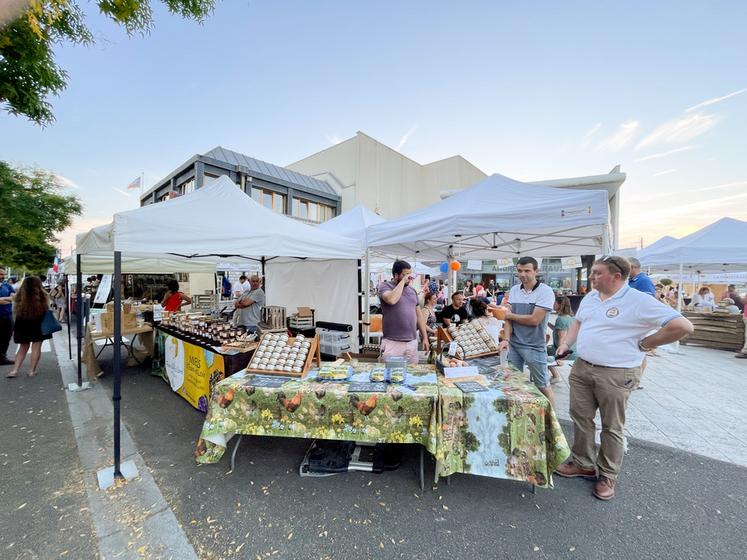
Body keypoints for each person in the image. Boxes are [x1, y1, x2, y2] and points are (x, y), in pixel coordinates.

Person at [553, 255, 693, 501]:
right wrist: (565, 343)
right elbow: (578, 322)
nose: (591, 277)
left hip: (617, 373)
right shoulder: (591, 297)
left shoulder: (638, 300)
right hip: (583, 368)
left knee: (612, 425)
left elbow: (683, 327)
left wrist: (647, 343)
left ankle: (607, 474)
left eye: (597, 273)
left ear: (616, 276)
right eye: (592, 272)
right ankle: (583, 462)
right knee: (581, 417)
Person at [495, 256, 557, 409]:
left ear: (536, 271)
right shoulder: (515, 290)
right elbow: (507, 320)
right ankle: (516, 412)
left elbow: (534, 320)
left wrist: (509, 315)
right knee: (511, 381)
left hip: (534, 346)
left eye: (527, 270)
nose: (523, 274)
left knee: (542, 385)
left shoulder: (546, 291)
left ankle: (553, 422)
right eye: (520, 271)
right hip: (514, 344)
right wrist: (506, 339)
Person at [378, 260, 429, 364]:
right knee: (390, 376)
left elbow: (419, 316)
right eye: (405, 274)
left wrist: (425, 337)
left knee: (412, 375)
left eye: (409, 274)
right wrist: (402, 281)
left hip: (412, 342)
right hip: (392, 342)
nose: (409, 277)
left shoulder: (412, 291)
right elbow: (391, 300)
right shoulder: (385, 286)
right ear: (396, 275)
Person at [6, 277, 54, 378]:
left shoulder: (19, 295)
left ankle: (14, 371)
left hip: (22, 323)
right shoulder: (43, 295)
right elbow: (48, 307)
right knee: (36, 347)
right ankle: (31, 371)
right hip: (38, 323)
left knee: (23, 348)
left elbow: (12, 304)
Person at [547, 295, 576, 384]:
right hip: (573, 349)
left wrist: (560, 356)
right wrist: (547, 323)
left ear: (560, 305)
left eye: (554, 303)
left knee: (541, 352)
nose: (553, 305)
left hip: (565, 352)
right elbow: (559, 330)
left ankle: (555, 376)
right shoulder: (571, 318)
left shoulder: (561, 319)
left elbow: (562, 338)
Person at [0, 267, 16, 366]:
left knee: (7, 336)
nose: (2, 277)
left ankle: (2, 357)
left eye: (3, 275)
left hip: (7, 315)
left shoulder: (6, 285)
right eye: (0, 274)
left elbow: (15, 297)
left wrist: (5, 298)